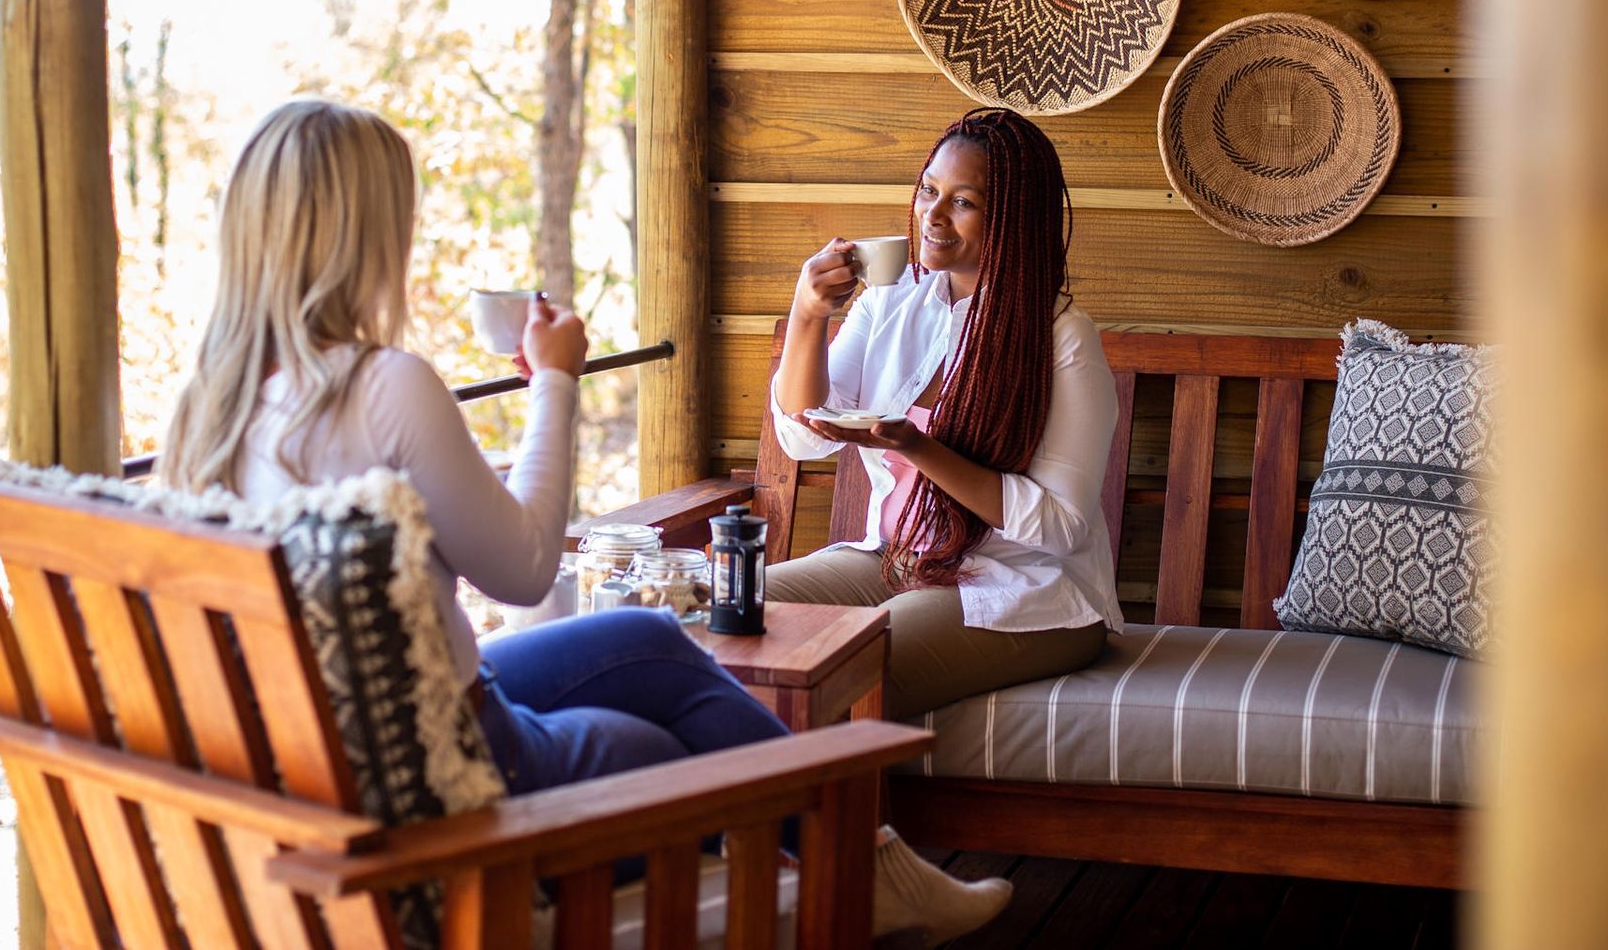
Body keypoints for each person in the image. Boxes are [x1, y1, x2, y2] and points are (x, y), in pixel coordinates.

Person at [161, 99, 1009, 941]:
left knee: (651, 644)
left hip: (314, 754)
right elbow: (526, 566)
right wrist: (556, 383)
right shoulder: (384, 385)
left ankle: (874, 866)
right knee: (657, 750)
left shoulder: (205, 408)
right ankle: (858, 877)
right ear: (365, 235)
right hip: (448, 754)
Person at [767, 107, 1121, 718]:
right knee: (730, 611)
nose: (931, 215)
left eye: (963, 202)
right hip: (895, 557)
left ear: (1011, 220)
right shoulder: (889, 302)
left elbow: (1062, 526)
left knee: (846, 663)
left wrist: (917, 447)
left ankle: (835, 817)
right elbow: (806, 439)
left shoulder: (1061, 338)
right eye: (929, 190)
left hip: (1021, 584)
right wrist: (807, 314)